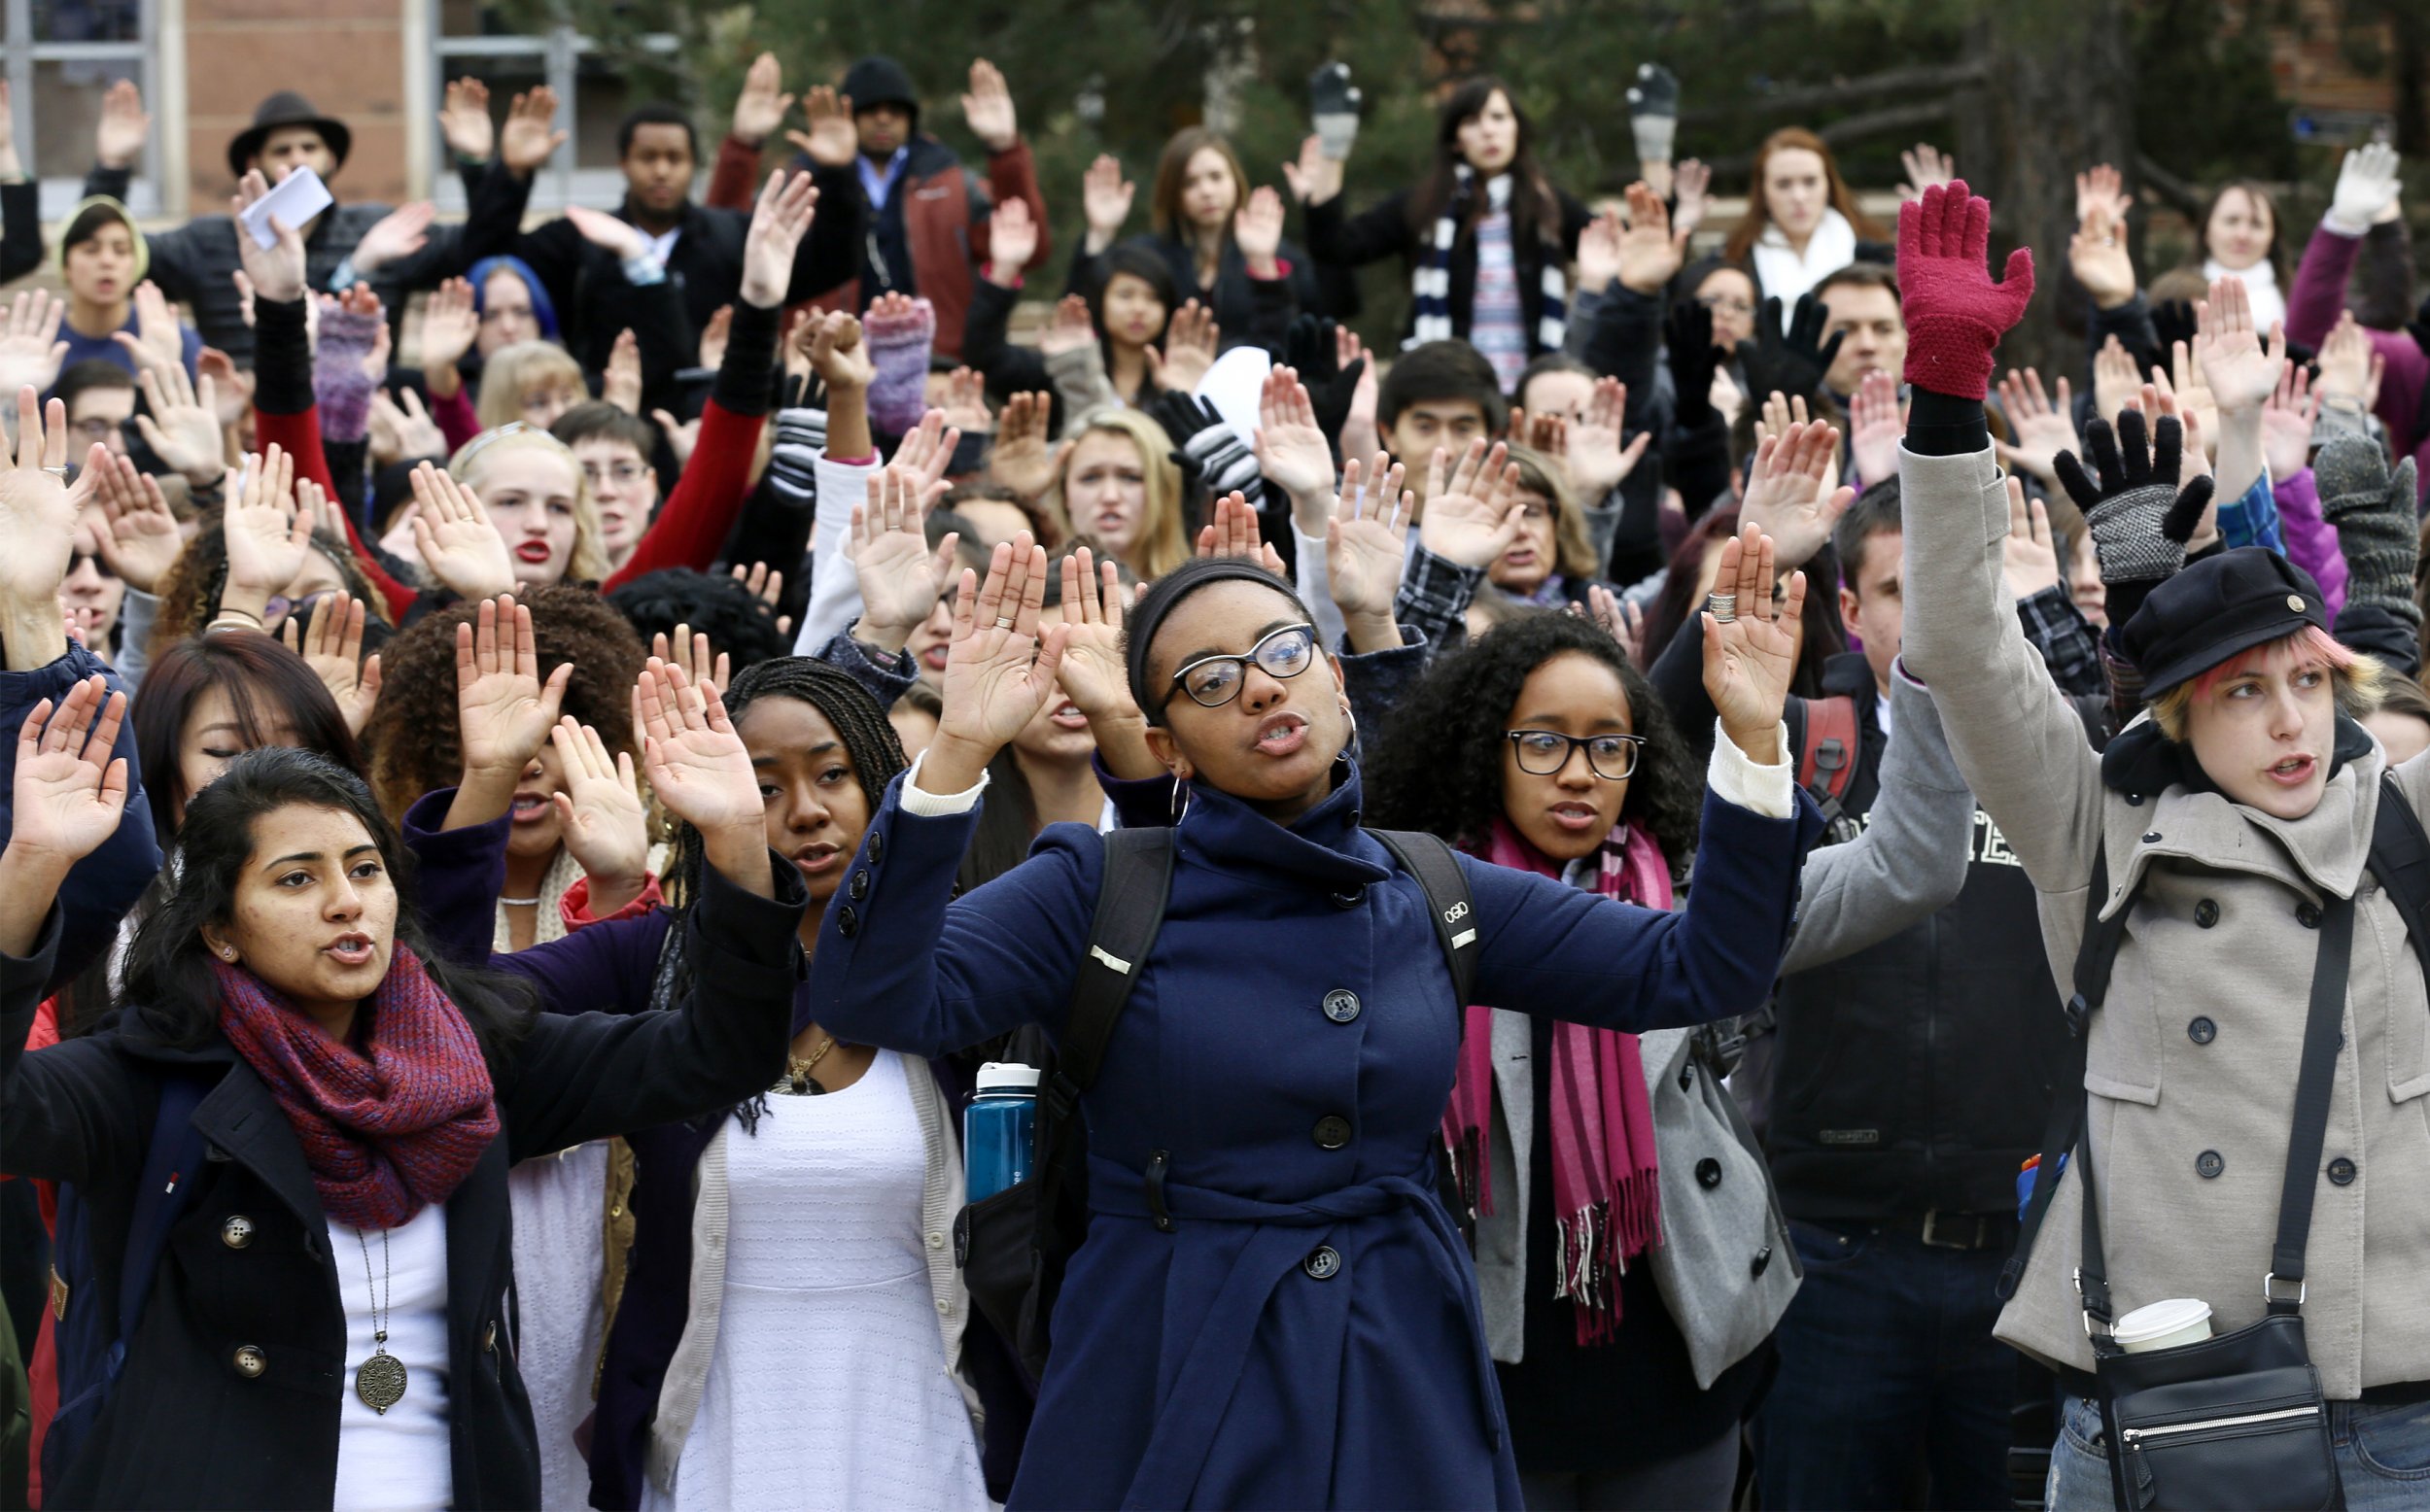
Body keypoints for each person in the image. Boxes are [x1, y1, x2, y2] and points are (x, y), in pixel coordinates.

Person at [802, 479, 1823, 1504]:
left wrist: (1752, 740)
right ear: (1162, 746)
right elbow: (871, 999)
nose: (1257, 687)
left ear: (1336, 681)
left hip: (1397, 1360)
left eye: (1282, 652)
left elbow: (1703, 967)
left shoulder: (1434, 887)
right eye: (1207, 679)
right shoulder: (1092, 884)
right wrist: (957, 753)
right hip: (1167, 1356)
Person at [1893, 177, 2430, 1507]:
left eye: (2307, 681)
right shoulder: (2104, 832)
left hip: (2397, 1415)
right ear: (2181, 714)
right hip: (2164, 1412)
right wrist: (1948, 403)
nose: (2291, 721)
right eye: (2245, 692)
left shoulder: (2407, 818)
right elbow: (1960, 647)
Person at [576, 657, 997, 1511]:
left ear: (883, 779)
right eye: (763, 788)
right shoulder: (657, 962)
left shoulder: (968, 962)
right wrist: (484, 789)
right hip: (719, 1442)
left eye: (833, 773)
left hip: (922, 1433)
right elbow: (457, 1011)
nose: (806, 811)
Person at [463, 98, 860, 394]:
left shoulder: (732, 237)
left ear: (693, 165)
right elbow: (489, 262)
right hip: (606, 423)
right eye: (647, 157)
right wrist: (511, 175)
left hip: (711, 414)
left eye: (675, 158)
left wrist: (840, 175)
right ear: (623, 162)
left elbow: (833, 262)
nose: (661, 171)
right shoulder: (583, 237)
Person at [80, 83, 479, 362]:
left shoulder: (378, 231)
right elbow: (104, 248)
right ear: (255, 163)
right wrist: (112, 167)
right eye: (282, 150)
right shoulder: (209, 242)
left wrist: (476, 164)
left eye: (310, 147)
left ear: (331, 160)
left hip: (355, 420)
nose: (298, 158)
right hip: (243, 426)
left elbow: (482, 244)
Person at [703, 53, 1051, 362]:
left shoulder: (952, 182)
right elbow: (723, 248)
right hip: (826, 365)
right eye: (870, 110)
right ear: (849, 114)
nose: (883, 119)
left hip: (934, 368)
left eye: (896, 111)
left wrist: (1004, 149)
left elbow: (1027, 251)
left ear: (911, 119)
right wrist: (744, 146)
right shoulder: (806, 179)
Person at [1296, 78, 1592, 390]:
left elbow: (1628, 259)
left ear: (1517, 128)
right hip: (1446, 391)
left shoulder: (1550, 208)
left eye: (1498, 117)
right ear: (1455, 139)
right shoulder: (1425, 205)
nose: (1488, 130)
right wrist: (1331, 154)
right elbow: (1336, 247)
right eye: (1472, 121)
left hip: (1534, 392)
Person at [1067, 130, 1318, 357]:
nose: (1206, 191)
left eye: (1216, 177)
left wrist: (1264, 266)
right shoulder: (1147, 255)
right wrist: (1100, 234)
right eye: (1190, 183)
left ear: (1235, 180)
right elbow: (1084, 314)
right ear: (1174, 193)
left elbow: (1315, 320)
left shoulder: (1276, 255)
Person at [1720, 128, 1891, 318]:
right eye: (1784, 184)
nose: (1799, 197)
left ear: (1828, 185)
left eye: (1810, 182)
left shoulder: (1870, 251)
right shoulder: (1736, 258)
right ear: (1763, 193)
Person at [50, 200, 199, 381]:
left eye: (121, 251)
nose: (107, 261)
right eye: (91, 250)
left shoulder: (172, 340)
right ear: (66, 265)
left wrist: (164, 377)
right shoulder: (41, 346)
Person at [1039, 409, 1191, 582]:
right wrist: (1019, 495)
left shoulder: (1194, 597)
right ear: (1065, 494)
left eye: (1130, 477)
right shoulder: (1034, 594)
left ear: (1162, 490)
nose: (1110, 496)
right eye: (1091, 478)